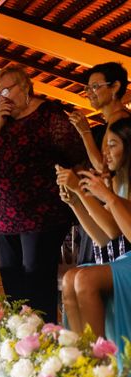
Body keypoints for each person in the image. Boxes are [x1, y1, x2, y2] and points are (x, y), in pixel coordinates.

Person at [0, 66, 88, 322]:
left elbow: (78, 159)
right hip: (3, 219)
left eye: (8, 90)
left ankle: (45, 342)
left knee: (37, 282)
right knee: (12, 284)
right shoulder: (0, 121)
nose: (3, 97)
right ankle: (21, 340)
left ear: (26, 87)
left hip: (41, 216)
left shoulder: (50, 116)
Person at [57, 118, 131, 342]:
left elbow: (117, 231)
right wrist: (75, 202)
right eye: (104, 146)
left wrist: (103, 196)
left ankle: (101, 362)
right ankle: (81, 359)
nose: (105, 154)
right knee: (70, 277)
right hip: (123, 258)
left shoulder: (114, 187)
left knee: (86, 280)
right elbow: (102, 238)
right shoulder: (118, 182)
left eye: (112, 145)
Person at [66, 62, 130, 265]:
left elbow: (103, 166)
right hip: (107, 202)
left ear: (115, 87)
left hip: (114, 205)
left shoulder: (121, 121)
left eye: (95, 86)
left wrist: (85, 132)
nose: (89, 93)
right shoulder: (110, 121)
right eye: (87, 88)